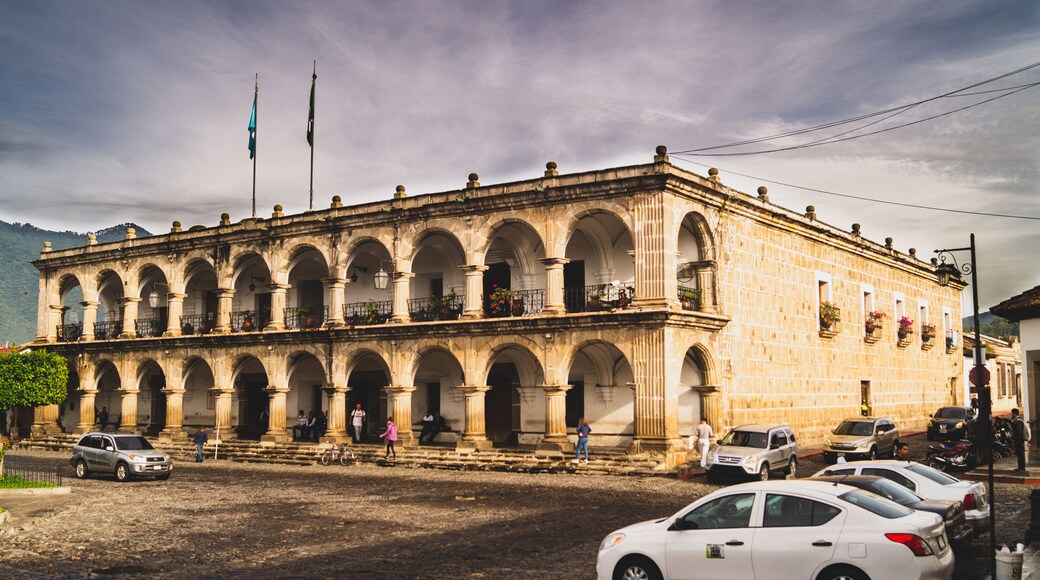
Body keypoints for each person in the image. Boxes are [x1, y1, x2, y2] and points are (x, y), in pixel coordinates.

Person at [1012, 408, 1028, 472]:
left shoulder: (1018, 421)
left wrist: (1015, 437)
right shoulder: (1017, 421)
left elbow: (1019, 431)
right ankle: (1020, 467)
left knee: (1020, 454)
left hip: (1019, 441)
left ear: (1015, 413)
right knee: (1019, 454)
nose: (1011, 415)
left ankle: (1022, 468)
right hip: (1018, 440)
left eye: (1012, 413)